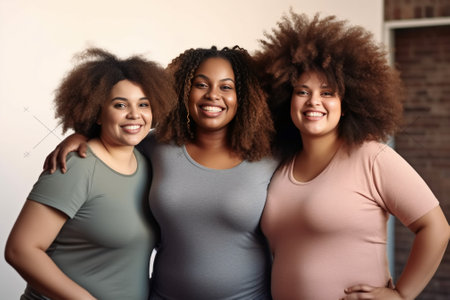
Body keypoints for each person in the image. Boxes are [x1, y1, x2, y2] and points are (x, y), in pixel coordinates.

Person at [43, 46, 278, 300]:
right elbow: (117, 134)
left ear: (243, 96)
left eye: (226, 87)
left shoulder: (273, 154)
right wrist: (82, 134)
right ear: (183, 90)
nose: (213, 95)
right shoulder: (156, 146)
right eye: (201, 84)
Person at [254, 12, 450, 300]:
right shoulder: (281, 166)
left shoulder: (371, 157)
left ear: (346, 104)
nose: (314, 102)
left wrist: (401, 295)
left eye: (328, 93)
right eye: (302, 91)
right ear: (287, 99)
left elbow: (436, 228)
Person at [5, 48, 175, 300]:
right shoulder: (77, 165)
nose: (134, 115)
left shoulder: (147, 161)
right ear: (97, 112)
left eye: (143, 104)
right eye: (120, 105)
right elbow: (21, 250)